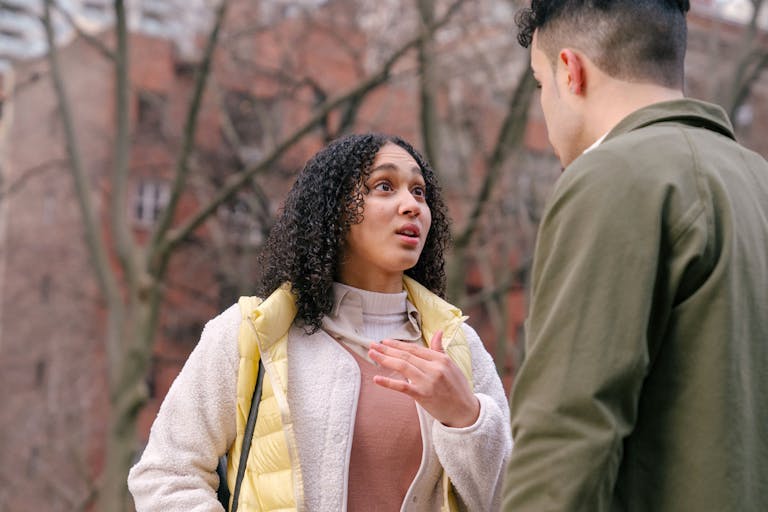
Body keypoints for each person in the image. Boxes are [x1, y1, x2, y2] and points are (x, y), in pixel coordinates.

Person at [128, 133, 512, 511]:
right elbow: (165, 475)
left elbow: (515, 498)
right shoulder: (254, 334)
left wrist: (468, 419)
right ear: (335, 209)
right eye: (384, 186)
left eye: (419, 192)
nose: (411, 205)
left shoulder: (458, 346)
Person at [502, 1, 768, 511]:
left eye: (540, 84)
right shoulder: (755, 182)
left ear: (569, 71)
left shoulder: (611, 177)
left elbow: (566, 433)